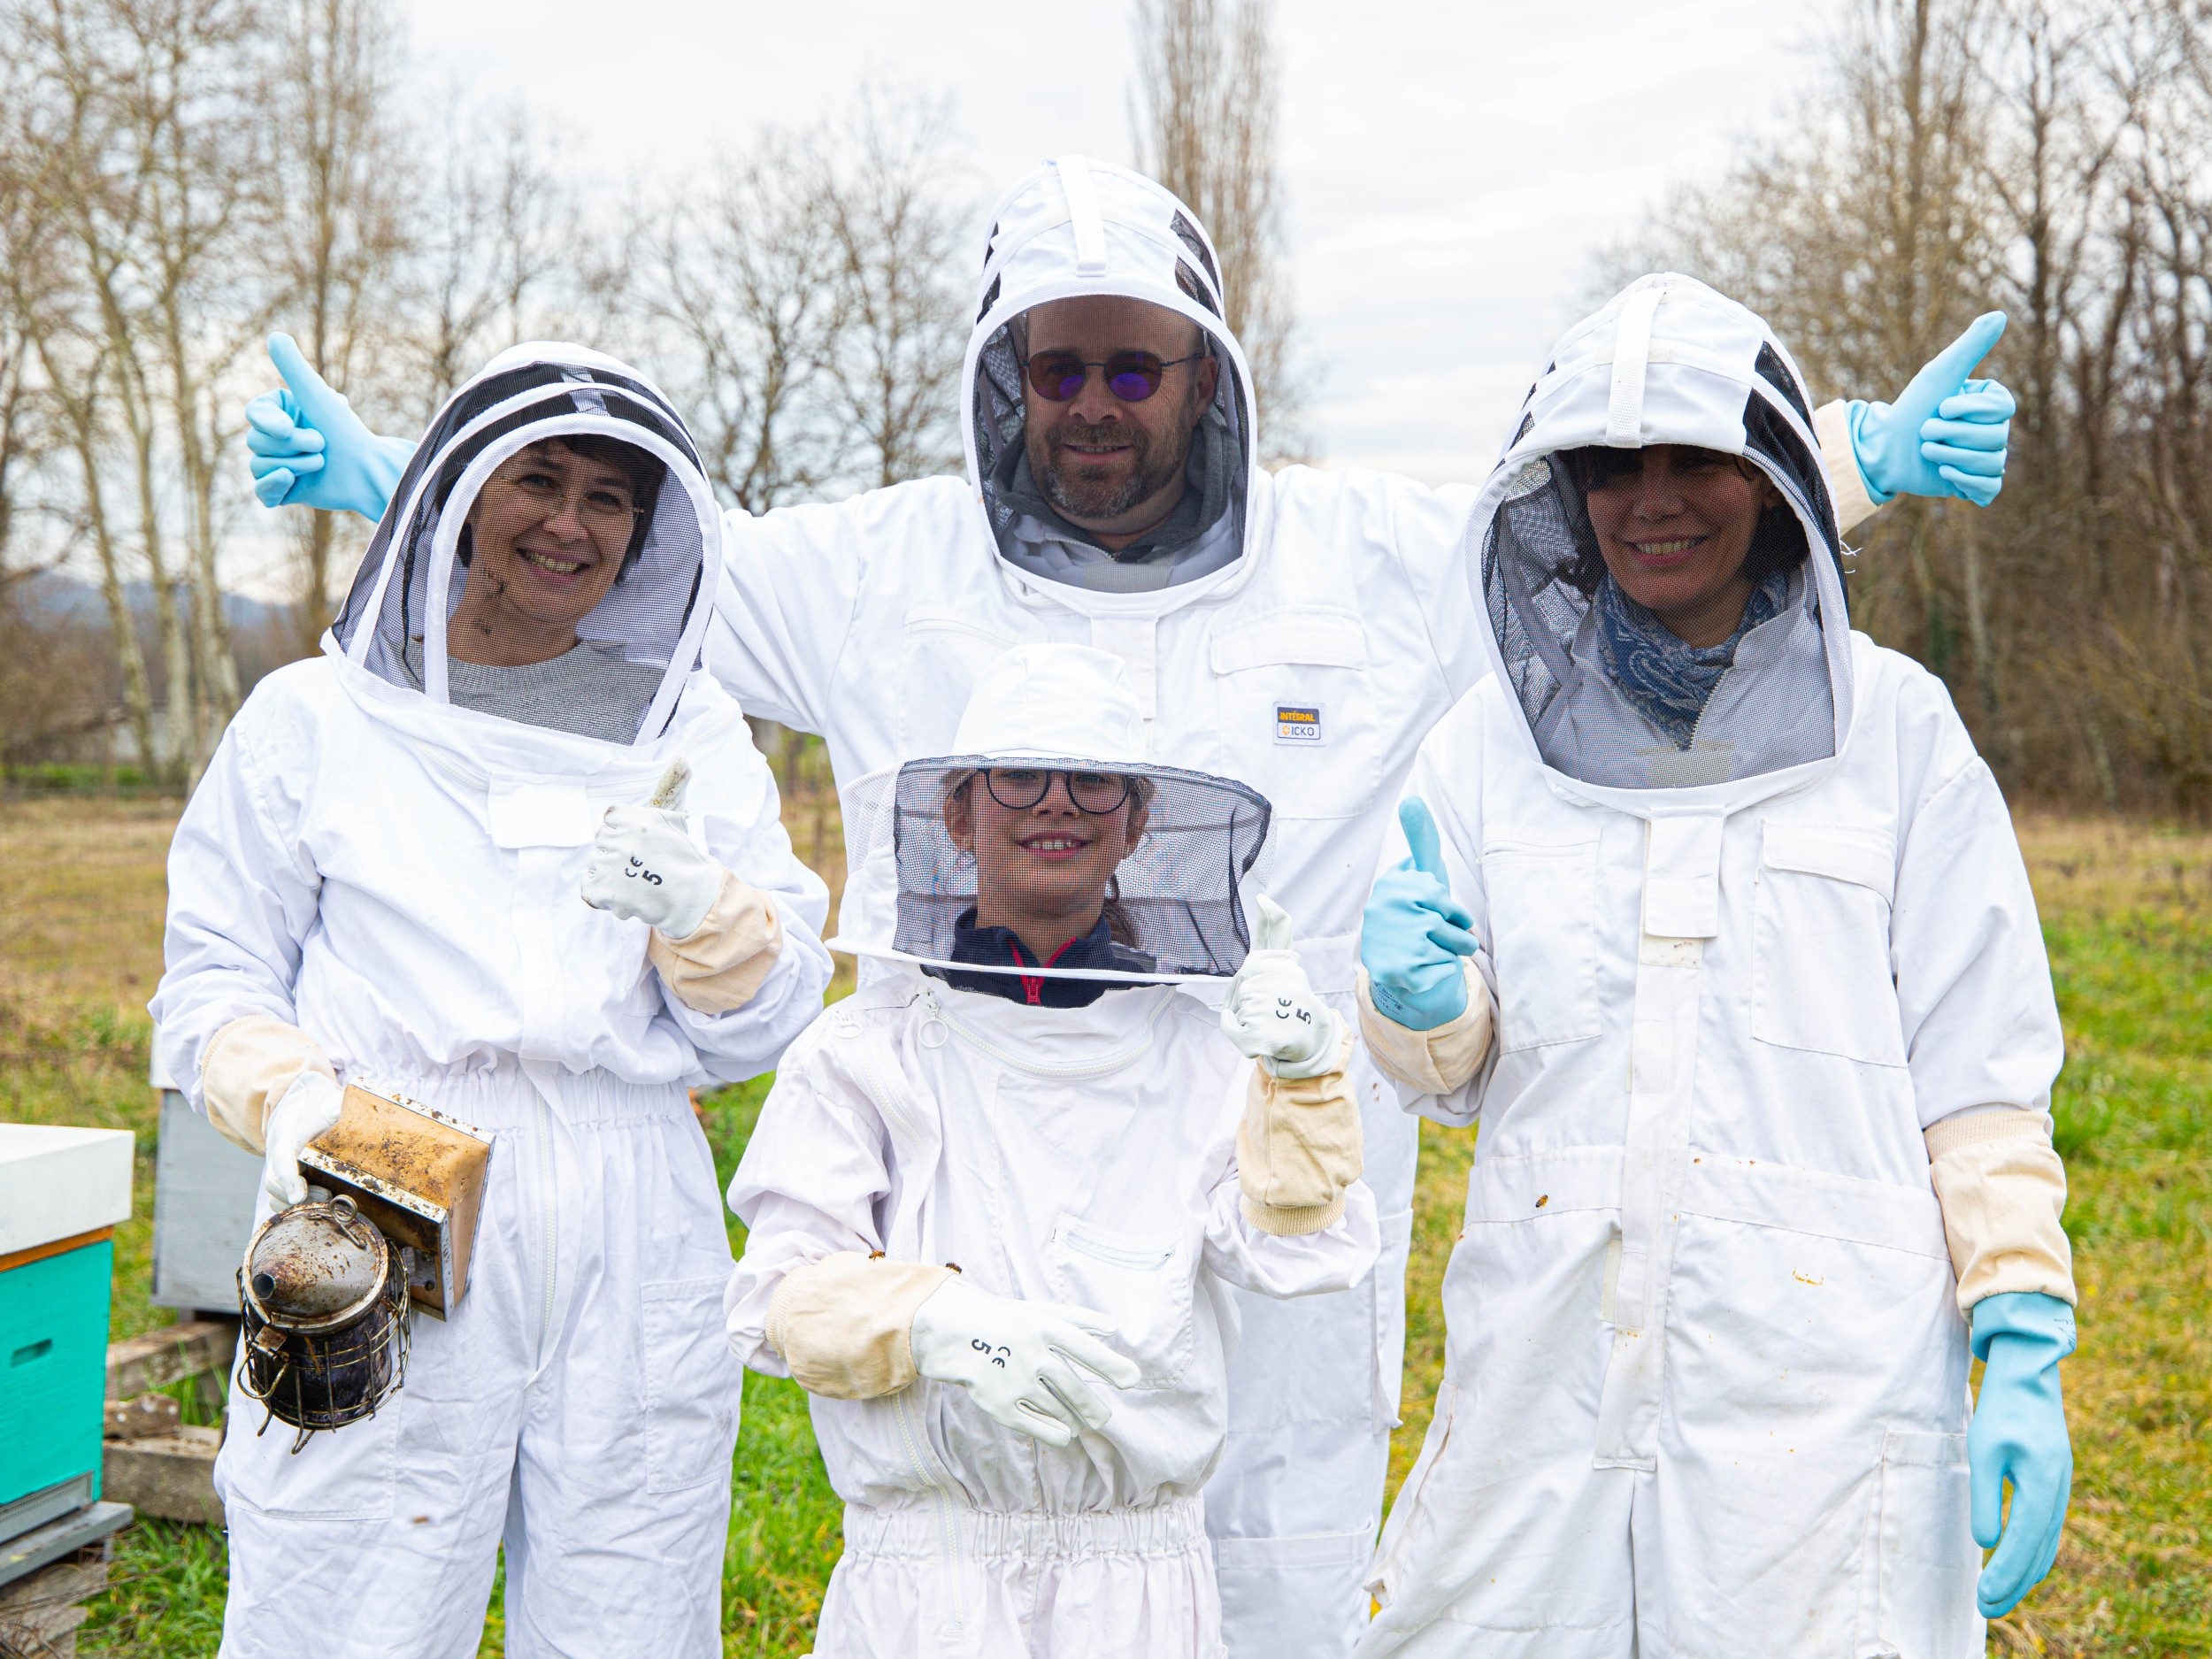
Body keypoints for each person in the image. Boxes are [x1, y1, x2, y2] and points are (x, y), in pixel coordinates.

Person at [237, 156, 2018, 1657]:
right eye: (1058, 371)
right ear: (1004, 382)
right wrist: (407, 476)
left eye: (1133, 369)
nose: (1094, 405)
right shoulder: (874, 568)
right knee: (971, 1518)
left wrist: (1841, 453)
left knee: (1279, 1544)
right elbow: (604, 545)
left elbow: (1598, 528)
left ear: (1204, 377)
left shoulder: (1359, 557)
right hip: (964, 1135)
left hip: (1281, 1151)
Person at [1350, 273, 2074, 1656]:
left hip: (1822, 1383)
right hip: (1543, 1373)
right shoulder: (1486, 747)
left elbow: (1981, 1073)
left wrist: (2023, 1333)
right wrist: (1416, 1003)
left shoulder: (1897, 732)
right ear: (1562, 492)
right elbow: (1446, 1072)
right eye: (1615, 467)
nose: (1654, 499)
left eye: (1698, 459)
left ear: (1773, 479)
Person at [151, 343, 834, 1659]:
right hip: (381, 1174)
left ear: (647, 538)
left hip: (635, 1197)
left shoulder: (689, 734)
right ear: (461, 493)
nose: (570, 524)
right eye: (540, 479)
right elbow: (211, 979)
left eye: (610, 499)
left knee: (634, 1592)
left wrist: (706, 917)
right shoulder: (314, 716)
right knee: (348, 1590)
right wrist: (303, 1103)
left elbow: (762, 1025)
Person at [725, 642, 1378, 1656]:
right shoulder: (868, 1049)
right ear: (957, 812)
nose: (1055, 806)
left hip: (1139, 1580)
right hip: (924, 1579)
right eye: (1019, 778)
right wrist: (933, 1321)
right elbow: (774, 1303)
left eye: (1092, 782)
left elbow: (1298, 1252)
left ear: (1137, 822)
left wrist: (1301, 1081)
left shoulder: (1204, 1053)